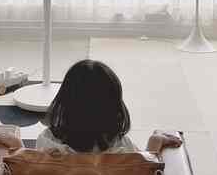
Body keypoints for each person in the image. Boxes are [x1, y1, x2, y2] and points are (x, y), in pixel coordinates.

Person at [36, 59, 181, 155]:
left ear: (64, 102)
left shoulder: (46, 145)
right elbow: (147, 167)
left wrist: (14, 142)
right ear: (115, 109)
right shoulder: (122, 151)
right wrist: (155, 141)